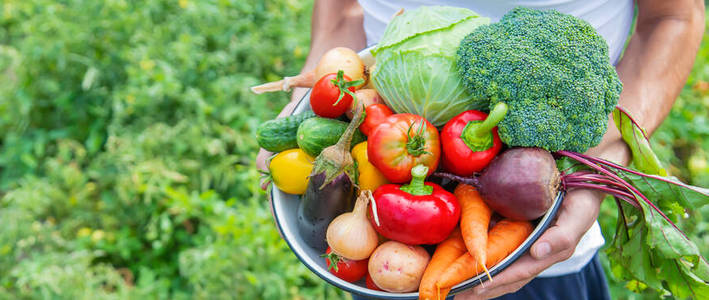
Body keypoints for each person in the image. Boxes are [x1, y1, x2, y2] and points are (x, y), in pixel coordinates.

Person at [256, 0, 705, 299]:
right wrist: (315, 87)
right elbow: (343, 9)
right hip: (381, 265)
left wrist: (611, 155)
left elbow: (674, 17)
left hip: (540, 241)